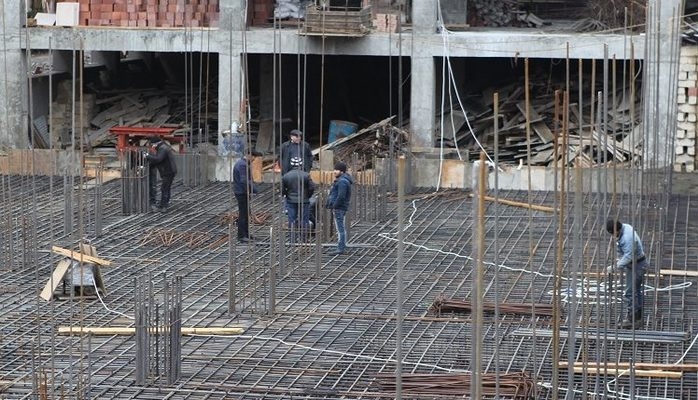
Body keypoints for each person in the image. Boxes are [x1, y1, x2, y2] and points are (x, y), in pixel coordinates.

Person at [606, 218, 648, 329]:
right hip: (636, 263)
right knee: (636, 291)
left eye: (612, 234)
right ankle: (638, 316)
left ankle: (632, 319)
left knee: (629, 293)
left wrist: (615, 267)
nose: (612, 237)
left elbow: (629, 256)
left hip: (637, 265)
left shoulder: (627, 238)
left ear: (616, 231)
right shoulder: (625, 227)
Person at [281, 157, 315, 242]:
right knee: (304, 220)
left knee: (291, 219)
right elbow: (311, 187)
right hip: (304, 201)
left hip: (291, 201)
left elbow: (282, 190)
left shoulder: (286, 176)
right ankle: (303, 238)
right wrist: (308, 196)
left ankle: (292, 239)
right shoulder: (306, 175)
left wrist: (287, 195)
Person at [233, 150, 262, 243]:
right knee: (243, 215)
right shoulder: (242, 165)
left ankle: (246, 234)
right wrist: (254, 190)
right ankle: (242, 236)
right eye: (254, 157)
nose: (253, 160)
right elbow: (244, 180)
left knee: (246, 214)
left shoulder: (242, 163)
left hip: (242, 191)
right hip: (241, 192)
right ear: (249, 155)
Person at [325, 161, 353, 255]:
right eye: (334, 169)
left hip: (339, 208)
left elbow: (341, 196)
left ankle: (341, 248)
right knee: (340, 228)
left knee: (340, 229)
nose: (334, 171)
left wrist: (335, 205)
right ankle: (341, 246)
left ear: (342, 171)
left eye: (337, 170)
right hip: (339, 207)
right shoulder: (342, 180)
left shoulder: (342, 182)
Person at [144, 136, 177, 212]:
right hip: (169, 171)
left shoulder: (163, 148)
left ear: (155, 143)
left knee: (164, 189)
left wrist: (147, 156)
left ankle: (163, 206)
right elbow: (157, 160)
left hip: (168, 171)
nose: (152, 146)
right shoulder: (162, 147)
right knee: (166, 188)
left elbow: (158, 159)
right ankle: (164, 204)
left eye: (152, 144)